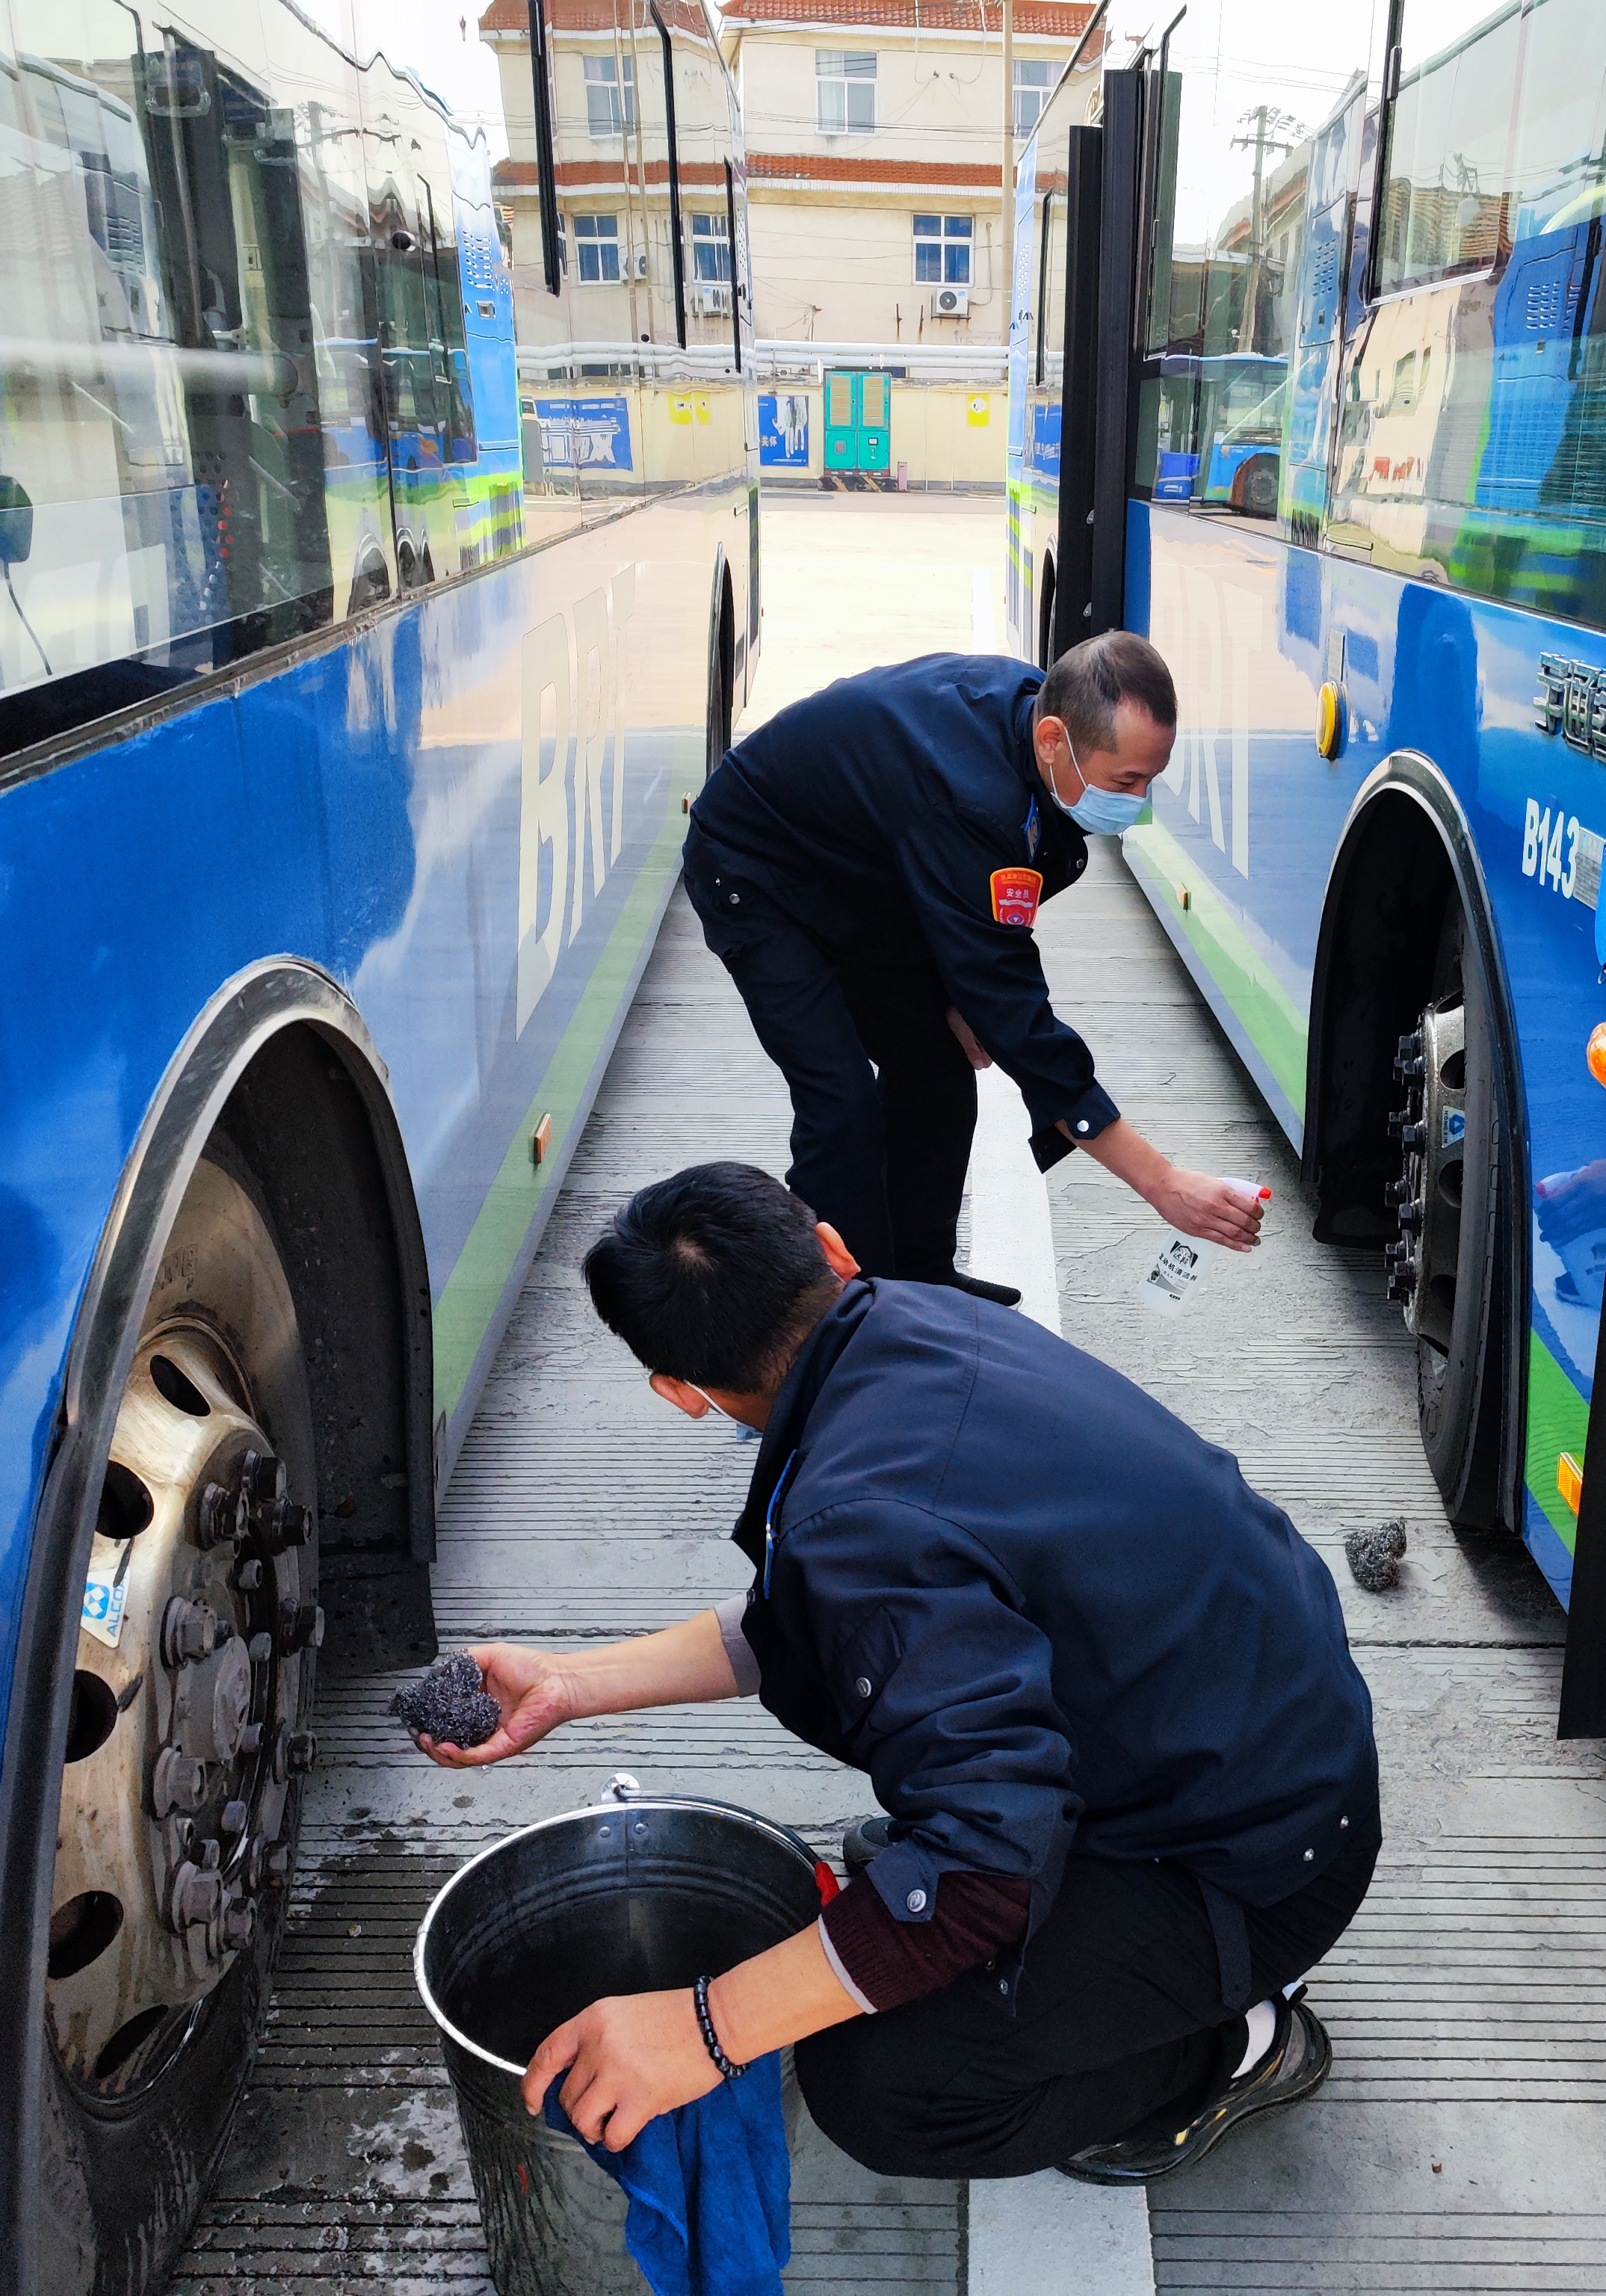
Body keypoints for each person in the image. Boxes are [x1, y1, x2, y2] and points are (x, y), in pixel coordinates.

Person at [414, 1161, 1381, 2182]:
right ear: (832, 1249)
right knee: (896, 1910)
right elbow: (828, 1611)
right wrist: (574, 1682)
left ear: (680, 1394)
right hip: (1267, 1743)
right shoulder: (911, 1325)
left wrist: (703, 2028)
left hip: (1253, 1866)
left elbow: (978, 1879)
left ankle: (1235, 2045)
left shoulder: (855, 1514)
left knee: (882, 2082)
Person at [684, 631, 1263, 1303]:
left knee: (937, 1068)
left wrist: (959, 988)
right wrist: (1160, 1181)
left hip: (869, 877)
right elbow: (1016, 1012)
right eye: (1125, 781)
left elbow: (986, 916)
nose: (1137, 802)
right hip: (756, 869)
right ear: (1052, 739)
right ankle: (840, 1313)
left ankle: (922, 1280)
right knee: (840, 1107)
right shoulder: (971, 795)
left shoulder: (1039, 722)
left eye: (1151, 780)